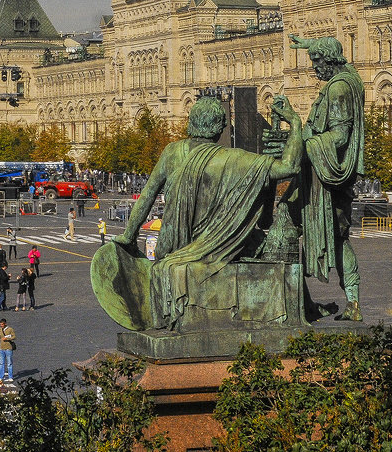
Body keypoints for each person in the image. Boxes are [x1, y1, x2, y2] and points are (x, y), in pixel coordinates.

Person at [106, 96, 304, 331]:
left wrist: (129, 236)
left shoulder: (172, 152)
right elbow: (289, 167)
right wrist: (296, 125)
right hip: (220, 245)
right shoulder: (234, 159)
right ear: (220, 128)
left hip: (178, 246)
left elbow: (147, 196)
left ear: (192, 123)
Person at [288, 35, 366, 321]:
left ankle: (299, 304)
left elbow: (339, 135)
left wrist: (298, 137)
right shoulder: (351, 78)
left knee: (284, 228)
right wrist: (308, 44)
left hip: (327, 175)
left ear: (329, 60)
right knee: (339, 240)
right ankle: (352, 303)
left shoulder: (338, 89)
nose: (314, 67)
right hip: (327, 175)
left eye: (316, 61)